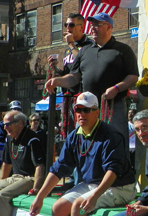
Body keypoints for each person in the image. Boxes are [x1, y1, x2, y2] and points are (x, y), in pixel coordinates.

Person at [29, 92, 136, 216]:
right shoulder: (74, 136)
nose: (81, 114)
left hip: (120, 186)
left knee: (79, 206)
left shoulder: (111, 135)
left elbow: (113, 171)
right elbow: (59, 168)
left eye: (87, 110)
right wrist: (40, 197)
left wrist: (95, 196)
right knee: (57, 208)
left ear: (97, 112)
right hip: (91, 184)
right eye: (78, 109)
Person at [44, 12, 139, 149]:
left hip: (113, 106)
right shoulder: (85, 51)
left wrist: (116, 88)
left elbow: (133, 76)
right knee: (86, 144)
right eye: (92, 24)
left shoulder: (123, 50)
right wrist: (57, 81)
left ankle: (117, 170)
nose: (92, 28)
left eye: (97, 25)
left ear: (108, 28)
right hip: (87, 108)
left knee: (115, 144)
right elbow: (75, 77)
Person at [47, 13, 94, 95]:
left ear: (81, 27)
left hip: (83, 95)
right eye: (66, 25)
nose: (68, 28)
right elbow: (67, 73)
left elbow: (82, 62)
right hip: (68, 97)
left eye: (71, 25)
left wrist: (71, 44)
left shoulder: (90, 45)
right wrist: (55, 69)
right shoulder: (68, 50)